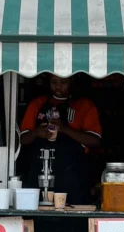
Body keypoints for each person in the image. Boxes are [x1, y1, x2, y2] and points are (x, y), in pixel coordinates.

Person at [20, 75, 101, 204]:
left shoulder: (84, 106)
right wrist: (37, 132)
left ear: (72, 81)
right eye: (54, 82)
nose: (58, 85)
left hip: (72, 176)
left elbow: (95, 140)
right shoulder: (37, 104)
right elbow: (23, 140)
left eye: (63, 82)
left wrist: (63, 129)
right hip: (39, 172)